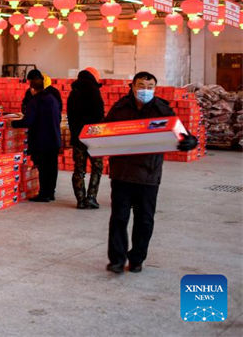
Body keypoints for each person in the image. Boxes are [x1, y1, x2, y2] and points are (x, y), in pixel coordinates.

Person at [102, 71, 198, 274]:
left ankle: (137, 258)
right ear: (132, 86)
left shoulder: (162, 110)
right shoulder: (119, 108)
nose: (145, 90)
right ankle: (117, 260)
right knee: (119, 218)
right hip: (122, 173)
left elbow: (182, 133)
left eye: (150, 86)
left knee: (144, 219)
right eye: (141, 85)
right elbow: (103, 130)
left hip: (149, 174)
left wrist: (190, 141)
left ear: (155, 88)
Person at [11, 69, 62, 202]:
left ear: (33, 86)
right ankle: (50, 192)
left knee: (44, 168)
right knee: (52, 167)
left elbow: (28, 121)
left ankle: (44, 194)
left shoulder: (35, 102)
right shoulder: (53, 98)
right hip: (54, 138)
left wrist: (12, 124)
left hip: (41, 140)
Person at [67, 67, 105, 210]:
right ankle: (91, 198)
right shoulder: (94, 92)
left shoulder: (73, 93)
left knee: (79, 170)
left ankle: (80, 200)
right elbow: (99, 115)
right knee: (97, 168)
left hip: (78, 138)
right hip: (94, 138)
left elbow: (70, 118)